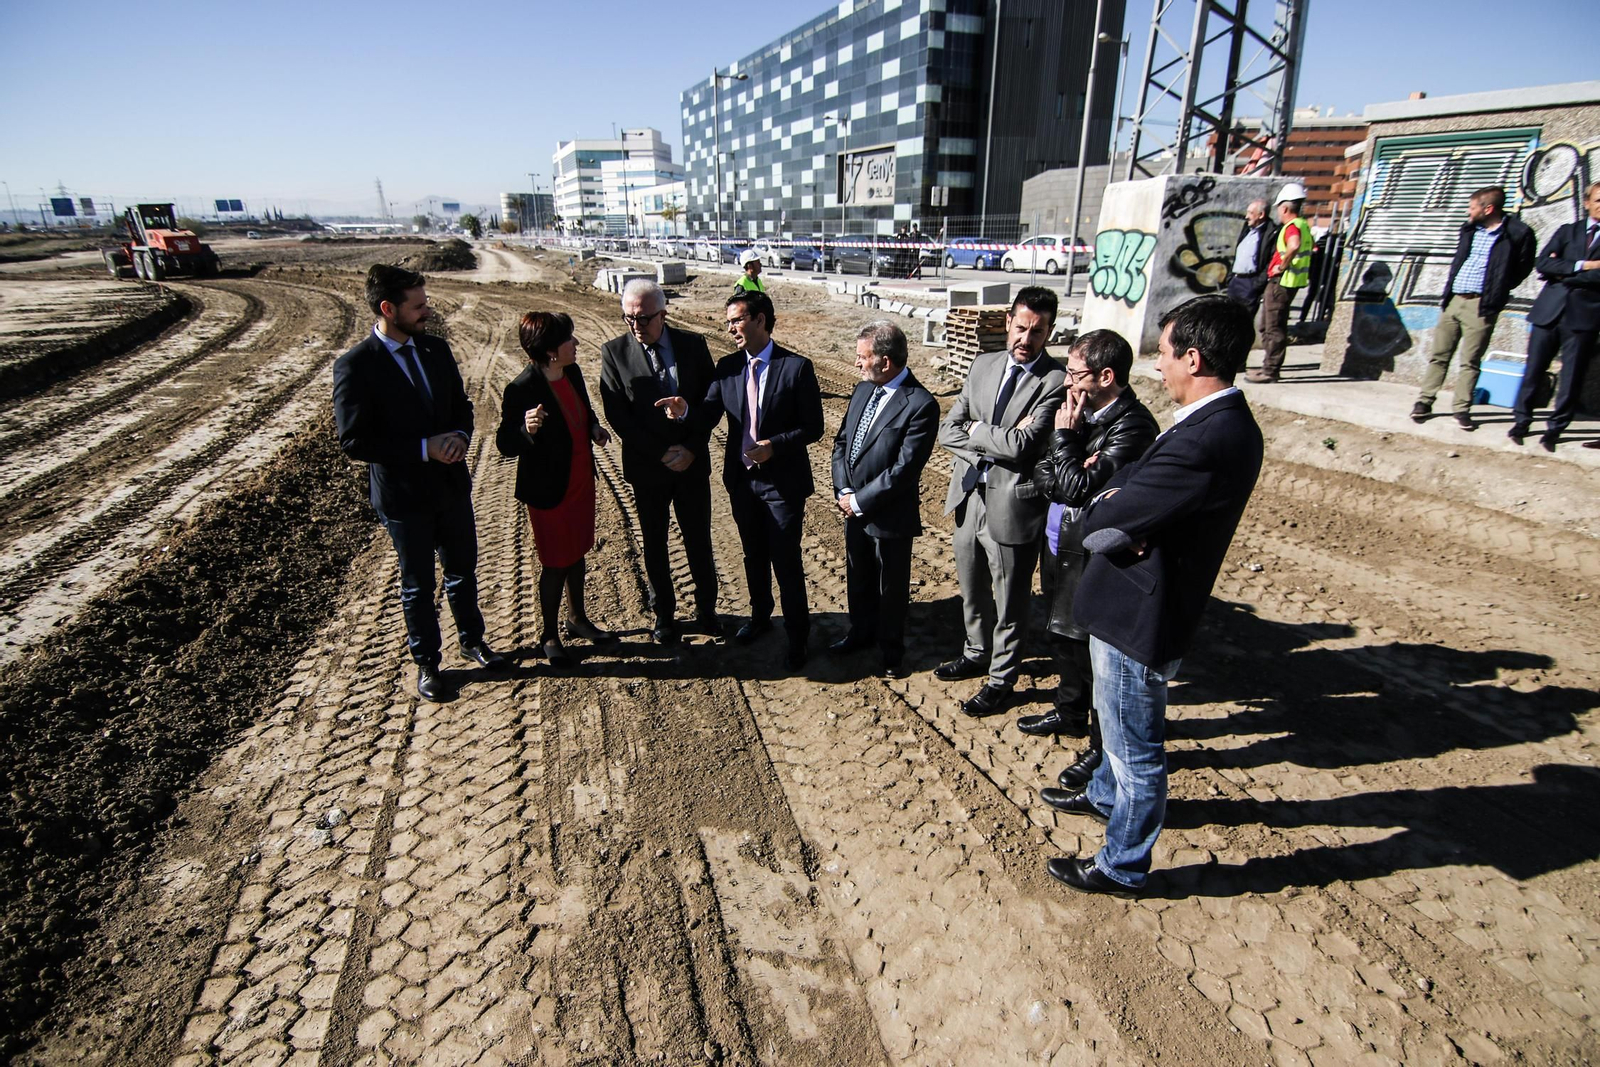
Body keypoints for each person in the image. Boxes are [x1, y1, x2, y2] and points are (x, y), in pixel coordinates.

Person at [1043, 295, 1263, 898]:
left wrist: (1108, 509)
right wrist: (1116, 503)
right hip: (1134, 601)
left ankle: (1122, 863)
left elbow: (1099, 520)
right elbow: (1123, 487)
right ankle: (1103, 796)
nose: (1158, 366)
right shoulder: (1209, 424)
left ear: (1193, 358)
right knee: (1115, 732)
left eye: (1163, 354)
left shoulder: (1208, 437)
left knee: (1135, 746)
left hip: (1141, 613)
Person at [332, 265, 505, 702]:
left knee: (462, 571)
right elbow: (354, 440)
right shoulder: (355, 366)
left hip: (449, 486)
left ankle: (472, 641)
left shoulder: (435, 350)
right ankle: (427, 663)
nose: (427, 311)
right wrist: (424, 448)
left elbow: (462, 406)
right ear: (388, 308)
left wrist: (462, 437)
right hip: (404, 497)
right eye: (419, 305)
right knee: (418, 585)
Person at [1021, 330, 1160, 796]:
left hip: (1093, 551)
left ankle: (1101, 748)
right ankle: (1069, 709)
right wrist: (1072, 459)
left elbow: (1081, 488)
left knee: (1093, 652)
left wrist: (1066, 440)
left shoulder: (1133, 426)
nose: (1067, 383)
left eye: (1076, 373)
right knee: (1060, 632)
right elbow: (1047, 474)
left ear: (1106, 376)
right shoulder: (1080, 413)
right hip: (1059, 539)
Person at [659, 291, 823, 670]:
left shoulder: (796, 367)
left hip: (782, 484)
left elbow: (813, 426)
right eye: (728, 320)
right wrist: (685, 412)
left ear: (761, 319)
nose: (730, 327)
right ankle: (761, 617)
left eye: (736, 319)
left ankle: (798, 636)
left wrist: (776, 446)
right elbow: (709, 415)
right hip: (743, 481)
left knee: (786, 559)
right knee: (753, 554)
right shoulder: (728, 367)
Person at [935, 286, 1068, 717]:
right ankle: (975, 651)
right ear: (1008, 322)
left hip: (1014, 503)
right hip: (970, 492)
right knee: (972, 589)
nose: (1026, 339)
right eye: (1021, 327)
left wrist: (978, 431)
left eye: (1038, 331)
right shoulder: (983, 364)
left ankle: (1001, 679)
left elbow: (1026, 445)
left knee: (1009, 598)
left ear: (1049, 332)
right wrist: (991, 439)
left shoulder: (1054, 380)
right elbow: (948, 429)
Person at [599, 279, 720, 644]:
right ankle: (664, 615)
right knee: (654, 542)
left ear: (663, 314)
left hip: (691, 464)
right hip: (648, 468)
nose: (636, 325)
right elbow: (618, 415)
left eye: (644, 318)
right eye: (629, 318)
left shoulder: (693, 345)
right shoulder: (614, 352)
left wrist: (693, 447)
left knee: (698, 538)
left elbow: (711, 401)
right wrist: (660, 453)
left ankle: (707, 610)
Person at [496, 312, 614, 668]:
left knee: (578, 551)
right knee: (555, 563)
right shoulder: (522, 388)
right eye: (569, 340)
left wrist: (594, 428)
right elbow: (505, 444)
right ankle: (549, 635)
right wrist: (526, 430)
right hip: (549, 488)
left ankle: (577, 619)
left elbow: (585, 412)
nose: (576, 344)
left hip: (579, 479)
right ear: (550, 351)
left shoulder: (572, 373)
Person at [828, 321, 941, 678]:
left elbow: (903, 471)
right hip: (854, 507)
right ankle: (860, 633)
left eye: (863, 357)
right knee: (858, 576)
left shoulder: (920, 404)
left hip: (889, 515)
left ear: (886, 361)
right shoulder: (863, 390)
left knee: (890, 588)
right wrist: (845, 491)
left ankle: (891, 652)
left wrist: (860, 500)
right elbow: (842, 444)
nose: (857, 363)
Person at [1407, 185, 1536, 430]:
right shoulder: (1469, 230)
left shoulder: (1517, 233)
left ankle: (1461, 408)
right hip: (1454, 299)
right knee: (1439, 355)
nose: (1469, 212)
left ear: (1488, 209)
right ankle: (1425, 401)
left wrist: (1498, 289)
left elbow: (1523, 267)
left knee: (1470, 360)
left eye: (1472, 207)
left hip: (1481, 304)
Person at [1510, 182, 1600, 452]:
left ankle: (1555, 430)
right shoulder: (1567, 231)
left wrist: (1563, 272)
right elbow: (1543, 263)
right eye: (1598, 199)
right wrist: (1583, 266)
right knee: (1534, 370)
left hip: (1585, 315)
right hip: (1549, 311)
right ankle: (1521, 421)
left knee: (1571, 377)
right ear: (1587, 202)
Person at [1246, 182, 1312, 384]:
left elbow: (1294, 246)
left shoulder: (1292, 227)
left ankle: (1270, 370)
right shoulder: (1303, 226)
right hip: (1288, 282)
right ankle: (1269, 366)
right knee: (1268, 325)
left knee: (1273, 327)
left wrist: (1281, 266)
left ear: (1284, 208)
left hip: (1281, 282)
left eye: (1279, 208)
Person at [1224, 199, 1274, 315]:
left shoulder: (1270, 233)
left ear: (1261, 215)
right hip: (1235, 281)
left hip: (1250, 283)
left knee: (1244, 319)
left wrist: (1257, 284)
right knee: (1228, 317)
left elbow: (1270, 261)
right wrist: (1230, 278)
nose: (1246, 216)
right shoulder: (1247, 229)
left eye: (1250, 213)